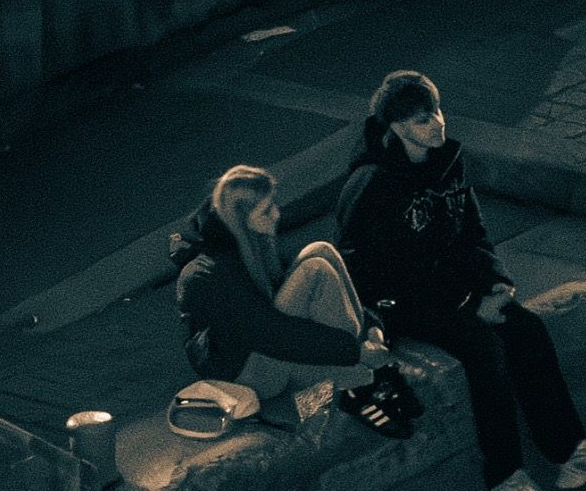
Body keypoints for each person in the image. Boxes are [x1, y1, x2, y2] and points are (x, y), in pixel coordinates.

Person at [336, 72, 586, 491]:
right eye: (422, 119)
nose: (437, 124)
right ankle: (505, 480)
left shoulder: (447, 162)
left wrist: (495, 283)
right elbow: (382, 270)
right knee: (482, 346)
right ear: (395, 127)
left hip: (452, 288)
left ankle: (570, 452)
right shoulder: (372, 183)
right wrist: (470, 305)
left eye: (437, 110)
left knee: (527, 327)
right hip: (395, 301)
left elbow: (471, 232)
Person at [171, 165, 421, 439]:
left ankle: (370, 374)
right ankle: (365, 384)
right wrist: (358, 353)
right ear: (241, 219)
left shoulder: (251, 242)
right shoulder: (206, 275)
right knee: (315, 270)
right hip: (246, 372)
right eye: (266, 211)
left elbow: (286, 307)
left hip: (269, 348)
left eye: (273, 205)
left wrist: (373, 327)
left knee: (320, 251)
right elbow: (272, 335)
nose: (277, 214)